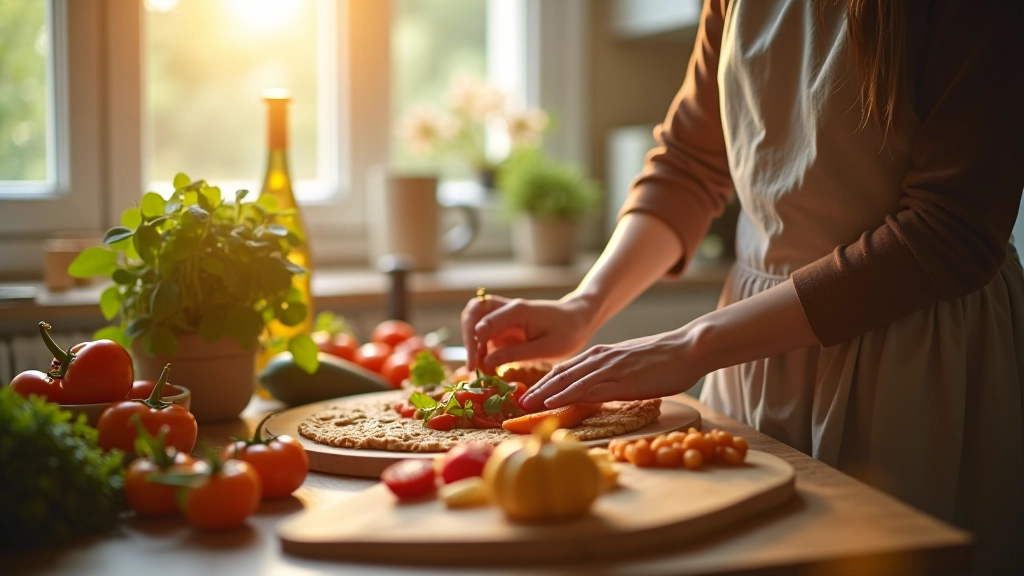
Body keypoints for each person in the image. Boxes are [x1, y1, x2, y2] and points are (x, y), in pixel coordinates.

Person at [462, 0, 1023, 571]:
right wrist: (584, 306)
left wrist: (693, 345)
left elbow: (949, 230)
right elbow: (689, 165)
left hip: (909, 347)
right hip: (748, 346)